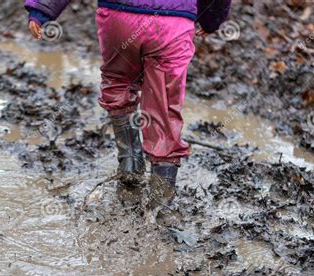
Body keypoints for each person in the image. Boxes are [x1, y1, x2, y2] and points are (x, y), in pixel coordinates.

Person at [24, 0, 231, 202]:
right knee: (165, 104)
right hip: (172, 24)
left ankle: (130, 161)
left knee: (119, 82)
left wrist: (42, 10)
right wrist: (212, 19)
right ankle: (162, 197)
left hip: (119, 17)